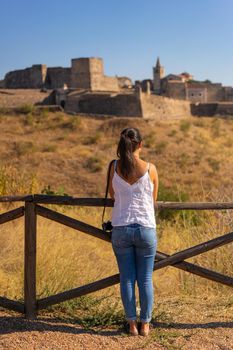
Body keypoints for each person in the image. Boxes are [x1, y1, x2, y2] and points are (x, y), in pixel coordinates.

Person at [108, 127, 158, 336]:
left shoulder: (114, 167)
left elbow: (113, 196)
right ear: (140, 144)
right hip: (146, 228)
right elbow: (153, 200)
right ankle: (145, 324)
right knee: (145, 278)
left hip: (121, 227)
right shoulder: (150, 168)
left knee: (127, 278)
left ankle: (131, 325)